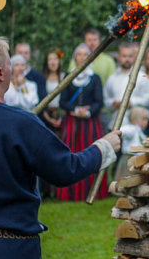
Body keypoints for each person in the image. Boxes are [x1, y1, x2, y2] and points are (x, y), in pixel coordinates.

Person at [0, 36, 120, 259]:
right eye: (10, 63)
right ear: (1, 73)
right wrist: (104, 148)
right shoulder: (22, 123)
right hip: (10, 249)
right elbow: (65, 169)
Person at [57, 44, 107, 201]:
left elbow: (100, 101)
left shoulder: (95, 78)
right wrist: (76, 110)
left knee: (92, 153)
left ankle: (92, 190)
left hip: (90, 123)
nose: (82, 57)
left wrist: (88, 111)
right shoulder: (68, 76)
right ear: (75, 58)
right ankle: (71, 192)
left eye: (86, 54)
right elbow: (62, 101)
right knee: (72, 153)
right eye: (79, 54)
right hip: (73, 123)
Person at [104, 43, 149, 130]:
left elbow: (148, 98)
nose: (127, 59)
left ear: (134, 57)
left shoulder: (142, 77)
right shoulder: (112, 78)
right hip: (115, 124)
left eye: (130, 56)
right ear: (118, 57)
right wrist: (113, 103)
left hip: (136, 126)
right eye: (124, 56)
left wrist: (132, 102)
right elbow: (105, 99)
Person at [114, 106, 149, 181]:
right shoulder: (131, 129)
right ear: (134, 120)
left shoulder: (140, 131)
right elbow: (124, 131)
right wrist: (120, 133)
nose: (146, 122)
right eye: (143, 119)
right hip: (130, 158)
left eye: (146, 119)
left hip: (138, 159)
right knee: (128, 178)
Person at [41, 48, 65, 137]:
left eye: (55, 59)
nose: (53, 62)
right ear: (46, 62)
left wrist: (61, 117)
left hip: (60, 113)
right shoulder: (42, 78)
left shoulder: (63, 77)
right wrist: (48, 118)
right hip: (46, 113)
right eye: (50, 59)